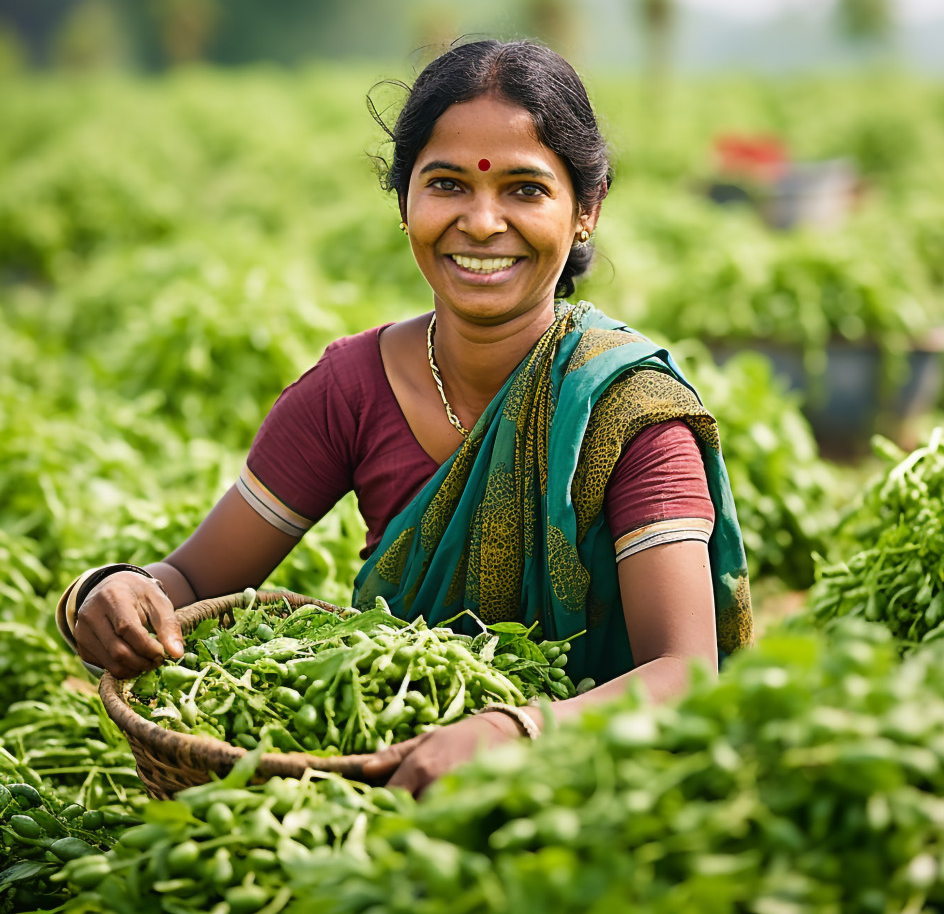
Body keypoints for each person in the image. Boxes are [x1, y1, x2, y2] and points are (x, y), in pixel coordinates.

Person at [56, 39, 753, 797]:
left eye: (525, 189)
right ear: (405, 202)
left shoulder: (626, 412)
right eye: (448, 184)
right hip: (384, 782)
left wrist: (518, 730)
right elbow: (190, 579)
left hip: (600, 795)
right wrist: (105, 593)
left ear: (586, 209)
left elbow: (684, 675)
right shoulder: (351, 390)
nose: (483, 223)